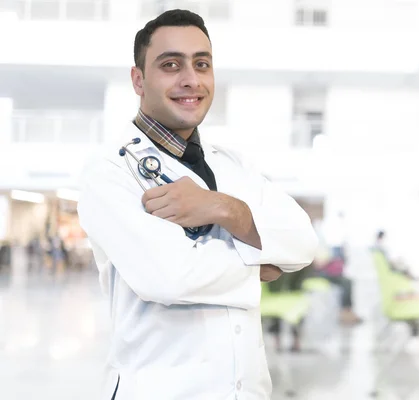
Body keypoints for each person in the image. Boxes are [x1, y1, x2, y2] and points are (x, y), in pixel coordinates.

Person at [77, 10, 318, 399]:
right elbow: (170, 276)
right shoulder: (109, 173)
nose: (190, 79)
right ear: (138, 80)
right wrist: (263, 262)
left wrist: (224, 208)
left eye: (201, 64)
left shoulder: (233, 165)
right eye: (170, 65)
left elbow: (303, 241)